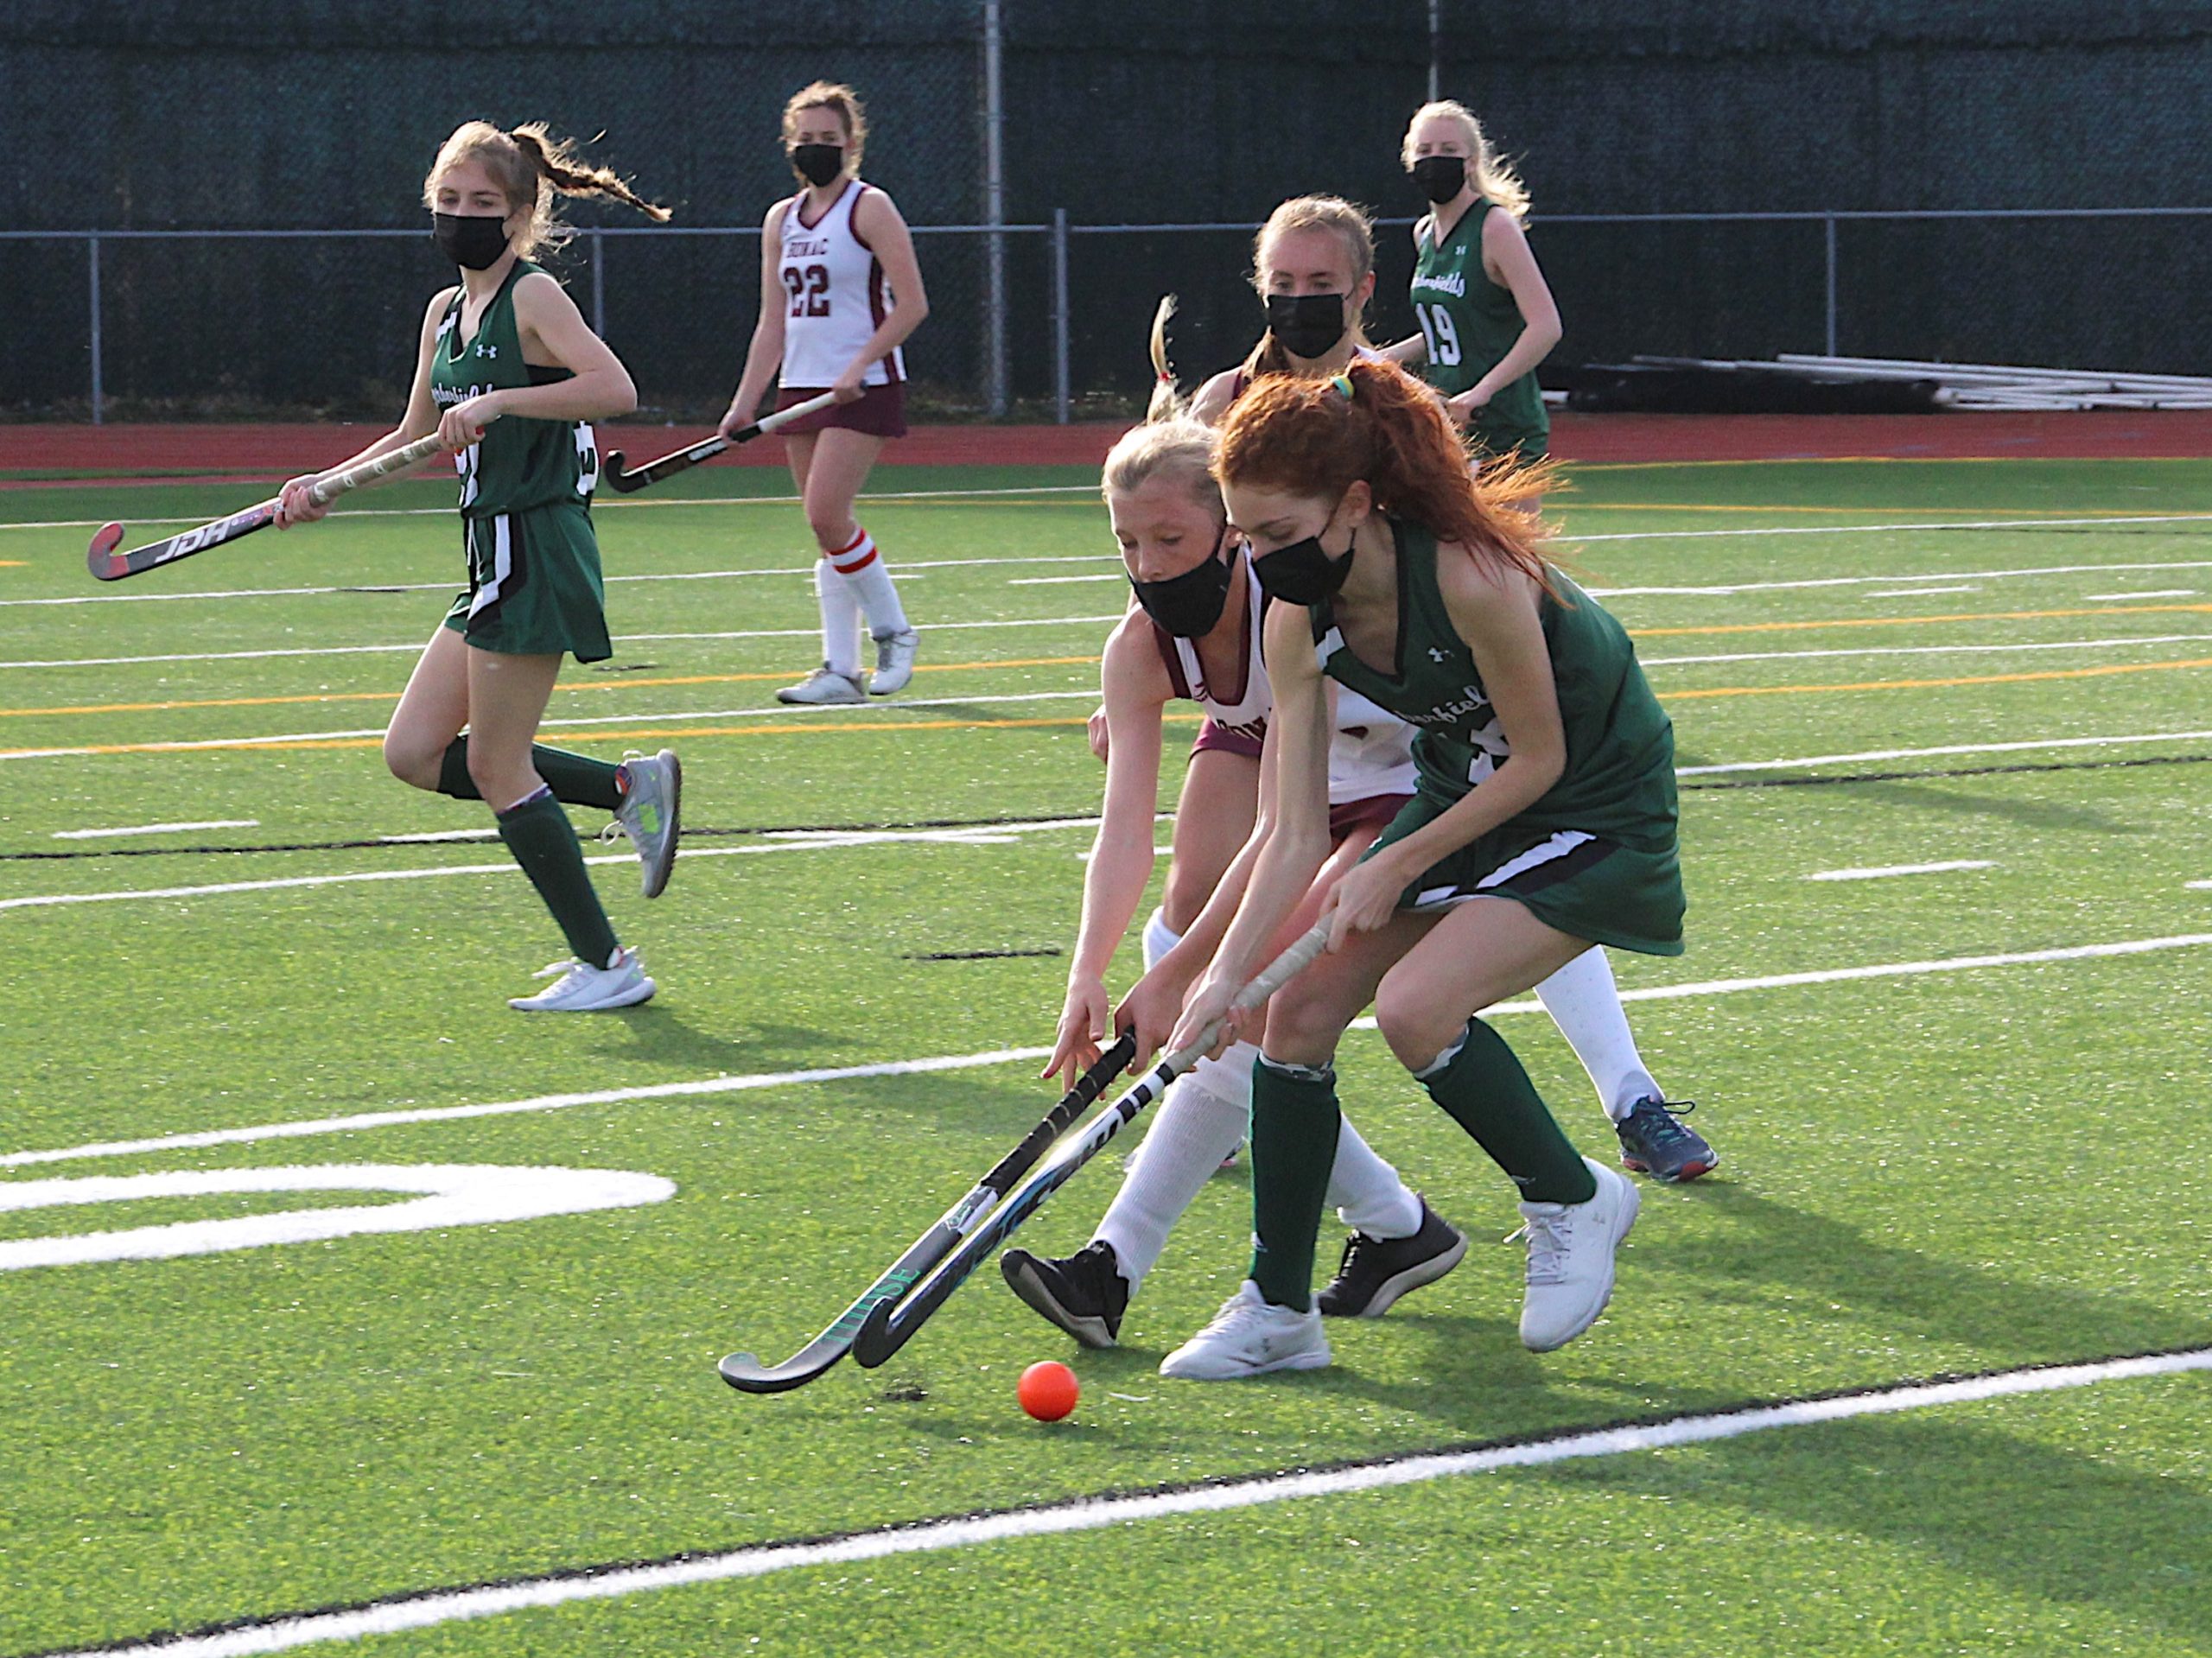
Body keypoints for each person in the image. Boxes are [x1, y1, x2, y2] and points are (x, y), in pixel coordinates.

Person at [1154, 359, 1686, 1380]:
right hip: (1468, 796)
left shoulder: (1470, 578)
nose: (1259, 560)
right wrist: (1217, 977)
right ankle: (1278, 1309)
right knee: (1292, 1014)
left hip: (1599, 802)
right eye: (1243, 536)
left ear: (1354, 504)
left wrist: (1399, 864)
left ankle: (1569, 1195)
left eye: (1275, 533)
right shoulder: (1296, 617)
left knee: (1415, 1006)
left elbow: (1541, 759)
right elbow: (1291, 825)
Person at [1007, 388, 1465, 1350]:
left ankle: (1114, 1260)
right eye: (1127, 544)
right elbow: (1122, 823)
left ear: (1230, 533)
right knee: (1186, 923)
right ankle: (1395, 1225)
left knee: (1243, 996)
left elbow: (1284, 833)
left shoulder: (1291, 605)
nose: (1145, 567)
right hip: (1289, 761)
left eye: (1169, 540)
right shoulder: (1139, 645)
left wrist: (1181, 981)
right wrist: (1091, 976)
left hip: (1393, 779)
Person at [276, 121, 679, 1012]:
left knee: (497, 765)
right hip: (489, 555)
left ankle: (609, 964)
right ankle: (625, 786)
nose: (463, 218)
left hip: (536, 544)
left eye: (483, 205)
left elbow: (615, 389)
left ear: (523, 213)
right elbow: (414, 435)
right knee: (415, 752)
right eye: (449, 202)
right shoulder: (443, 311)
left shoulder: (533, 299)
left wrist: (504, 399)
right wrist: (324, 486)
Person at [721, 81, 927, 706]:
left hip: (861, 386)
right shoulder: (780, 220)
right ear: (790, 145)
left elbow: (912, 304)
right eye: (805, 140)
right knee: (826, 533)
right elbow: (773, 320)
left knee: (826, 513)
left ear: (852, 144)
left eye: (828, 140)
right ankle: (840, 669)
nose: (816, 150)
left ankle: (895, 633)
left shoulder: (870, 208)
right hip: (802, 386)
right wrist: (744, 401)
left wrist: (859, 363)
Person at [1388, 100, 1560, 472]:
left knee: (1503, 533)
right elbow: (1450, 326)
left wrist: (1483, 391)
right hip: (1449, 423)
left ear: (1470, 161)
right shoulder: (1425, 234)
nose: (1436, 159)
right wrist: (1381, 359)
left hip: (1503, 425)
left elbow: (1545, 326)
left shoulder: (1495, 228)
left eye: (1449, 151)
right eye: (1425, 151)